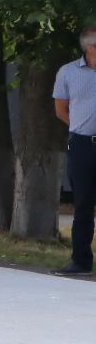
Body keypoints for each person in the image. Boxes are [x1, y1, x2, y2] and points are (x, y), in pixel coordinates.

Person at [53, 22, 96, 276]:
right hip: (82, 144)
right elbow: (60, 110)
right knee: (83, 204)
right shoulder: (68, 72)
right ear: (90, 48)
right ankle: (80, 261)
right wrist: (80, 127)